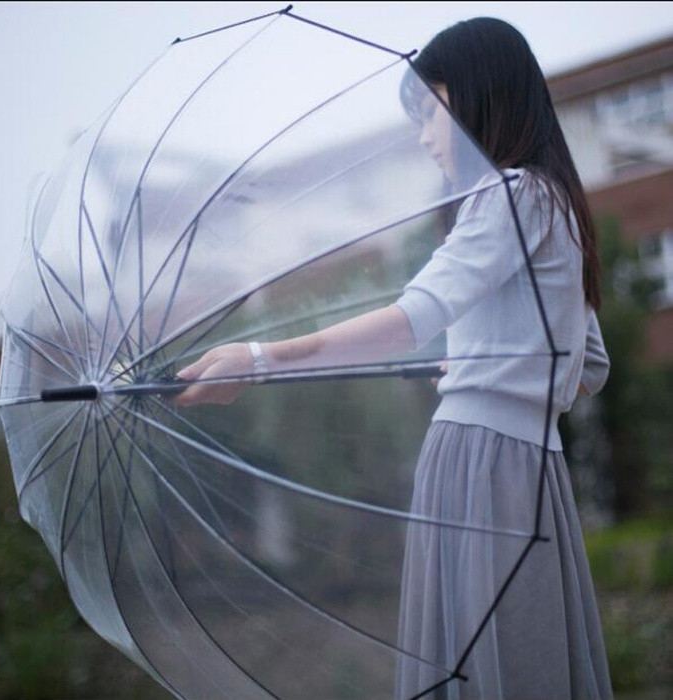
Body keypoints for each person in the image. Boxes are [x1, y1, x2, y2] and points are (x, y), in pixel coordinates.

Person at [175, 17, 613, 700]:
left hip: (480, 461)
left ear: (478, 95)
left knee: (484, 664)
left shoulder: (510, 193)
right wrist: (490, 366)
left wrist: (257, 358)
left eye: (430, 110)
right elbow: (588, 366)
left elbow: (411, 320)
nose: (423, 135)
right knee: (523, 661)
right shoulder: (556, 203)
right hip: (534, 467)